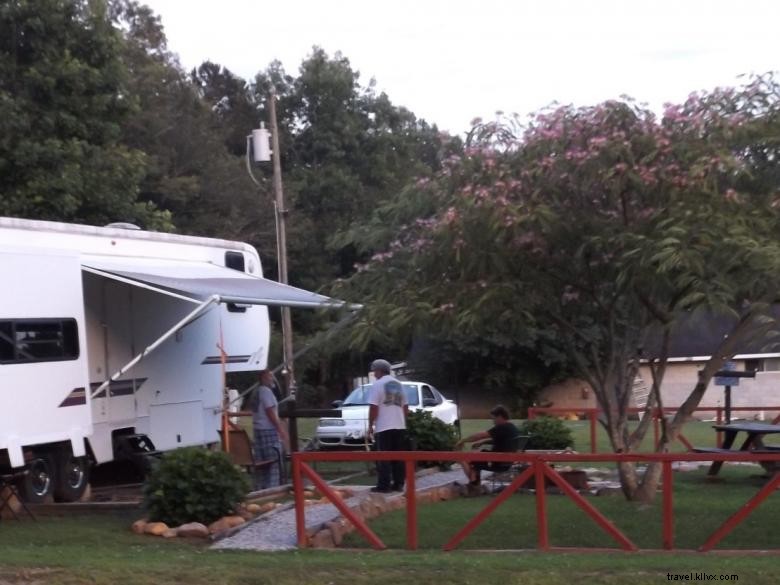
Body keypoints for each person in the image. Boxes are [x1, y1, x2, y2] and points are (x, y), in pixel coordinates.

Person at [455, 405, 520, 491]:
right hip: (506, 461)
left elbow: (480, 435)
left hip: (497, 462)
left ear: (500, 417)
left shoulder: (502, 427)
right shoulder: (512, 428)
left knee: (464, 458)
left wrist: (463, 440)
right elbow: (502, 441)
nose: (493, 422)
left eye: (494, 418)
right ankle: (475, 484)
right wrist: (483, 442)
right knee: (476, 456)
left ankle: (474, 486)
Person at [367, 358, 408, 493]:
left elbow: (374, 407)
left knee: (383, 457)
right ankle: (398, 483)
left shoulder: (377, 385)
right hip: (399, 425)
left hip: (384, 426)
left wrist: (370, 425)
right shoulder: (399, 384)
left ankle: (384, 485)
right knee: (398, 456)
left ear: (379, 371)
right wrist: (403, 421)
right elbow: (405, 406)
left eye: (374, 371)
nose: (374, 373)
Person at [246, 369, 289, 489]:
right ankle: (272, 487)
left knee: (262, 461)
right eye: (270, 376)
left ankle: (261, 487)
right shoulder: (265, 391)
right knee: (273, 460)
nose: (272, 378)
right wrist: (280, 429)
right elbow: (270, 411)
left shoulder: (256, 392)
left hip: (258, 429)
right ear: (263, 377)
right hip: (268, 430)